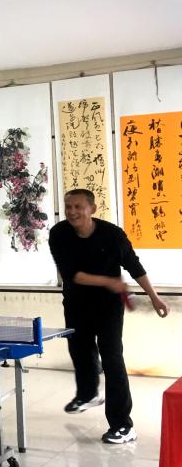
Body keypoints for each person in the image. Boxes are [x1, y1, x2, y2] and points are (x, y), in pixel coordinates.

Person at [49, 188, 170, 445]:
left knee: (112, 358)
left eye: (78, 207)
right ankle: (89, 393)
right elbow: (72, 275)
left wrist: (154, 297)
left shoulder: (112, 235)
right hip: (76, 303)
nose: (72, 212)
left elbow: (134, 266)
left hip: (108, 307)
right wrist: (109, 281)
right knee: (80, 349)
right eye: (68, 206)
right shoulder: (59, 234)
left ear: (92, 209)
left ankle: (123, 425)